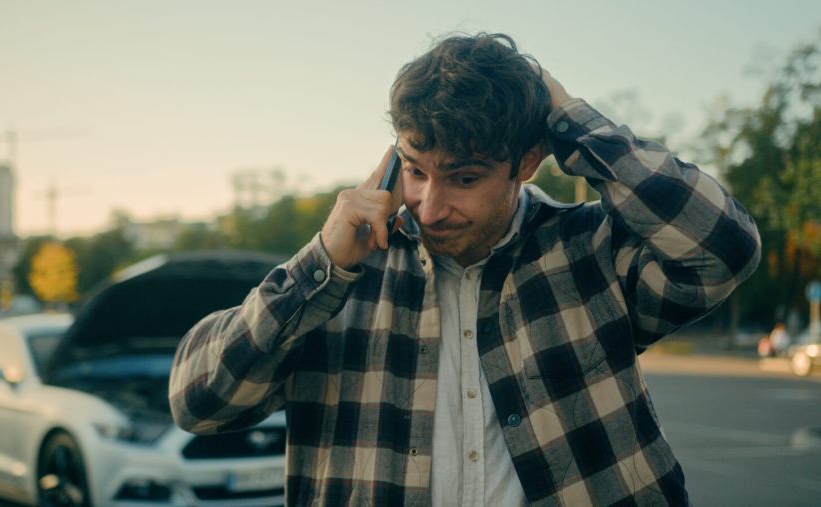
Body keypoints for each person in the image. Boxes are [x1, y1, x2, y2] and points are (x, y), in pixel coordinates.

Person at [169, 33, 760, 506]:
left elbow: (722, 247)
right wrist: (319, 264)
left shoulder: (588, 252)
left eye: (465, 178)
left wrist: (573, 121)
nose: (430, 204)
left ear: (526, 163)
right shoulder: (340, 273)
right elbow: (197, 402)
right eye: (414, 169)